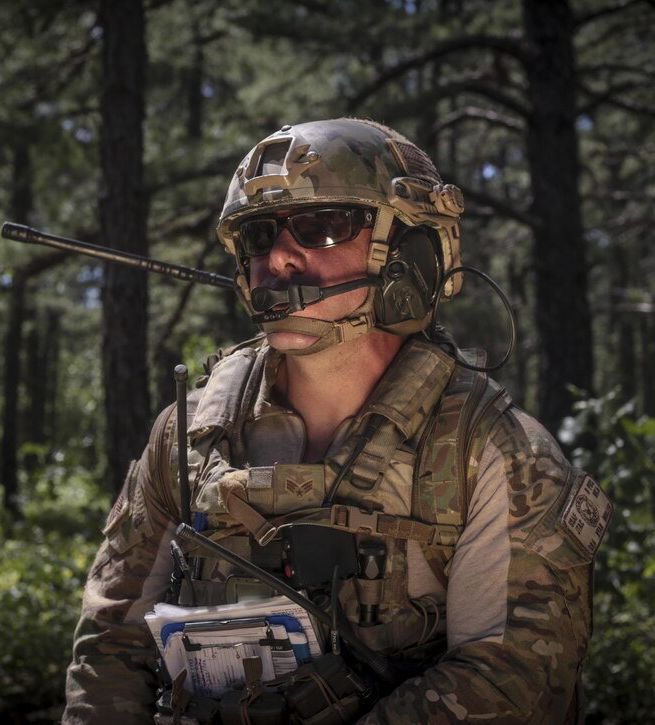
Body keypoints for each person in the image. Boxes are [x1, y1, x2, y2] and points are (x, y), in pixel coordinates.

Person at [63, 118, 610, 724]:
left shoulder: (492, 451)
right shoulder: (192, 433)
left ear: (411, 251)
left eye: (323, 228)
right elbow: (111, 640)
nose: (278, 258)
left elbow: (512, 683)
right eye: (259, 235)